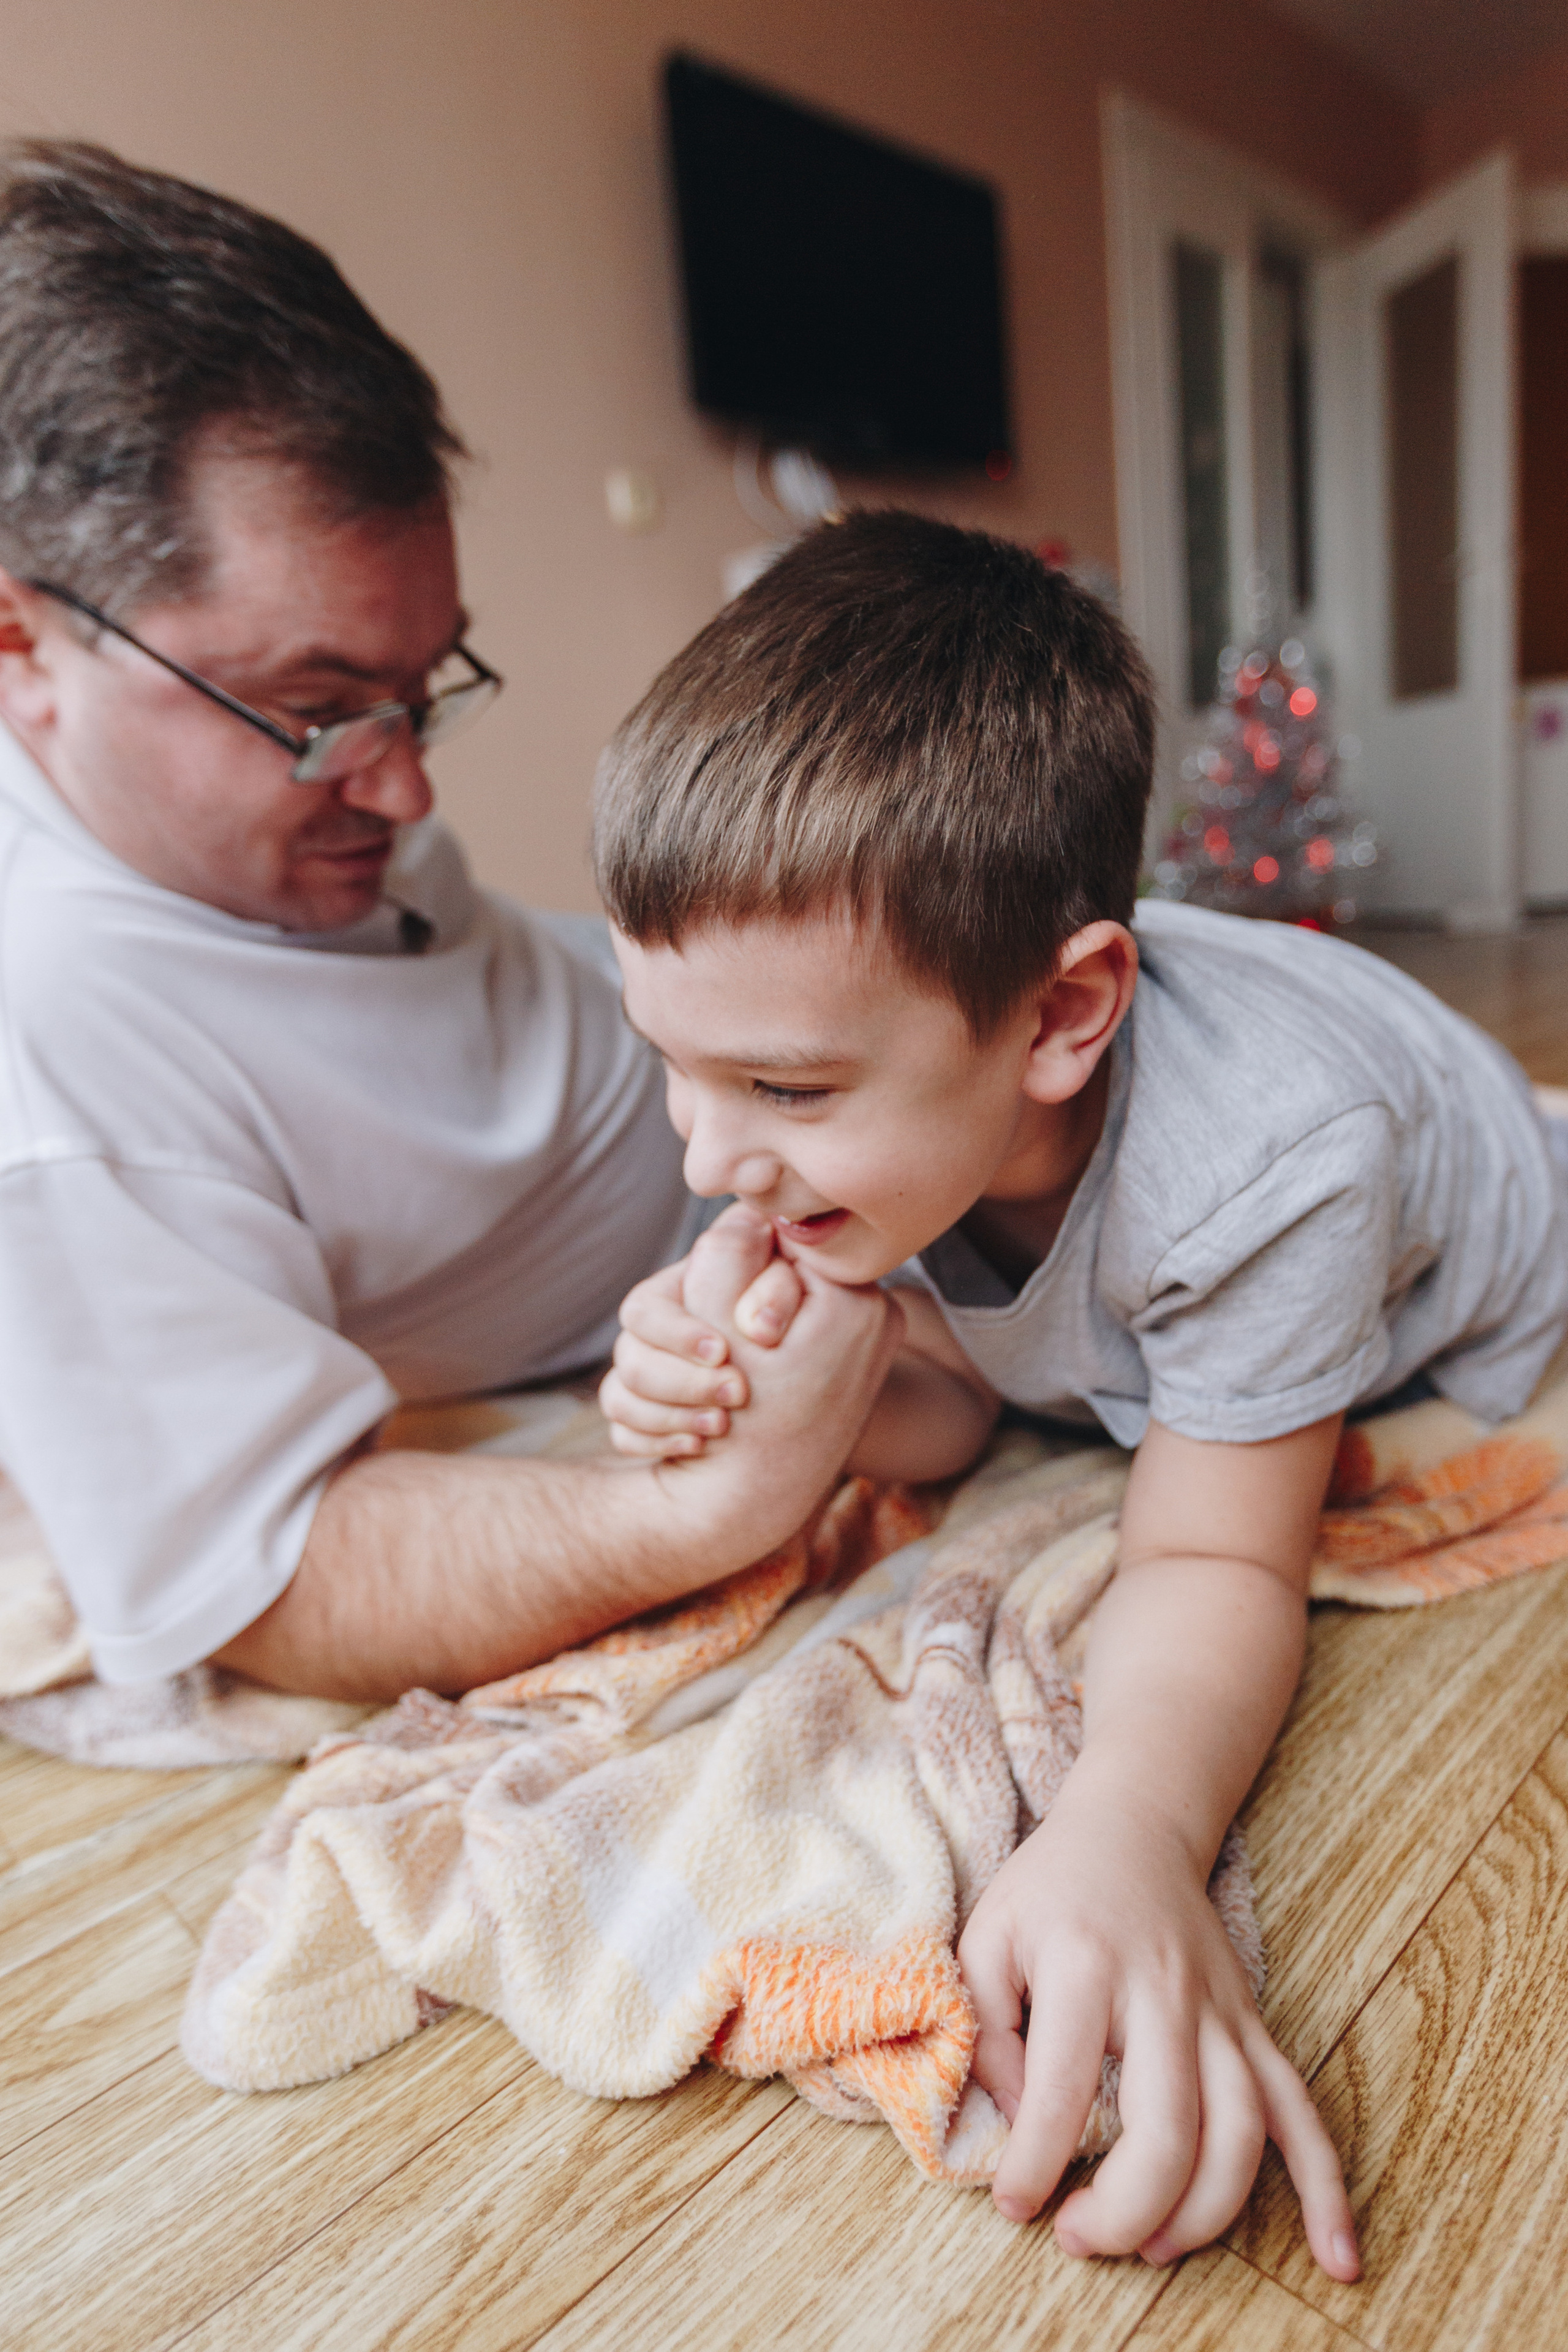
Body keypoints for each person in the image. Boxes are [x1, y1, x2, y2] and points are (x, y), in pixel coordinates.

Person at [592, 510, 1568, 2277]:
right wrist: (780, 1378)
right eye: (671, 1060)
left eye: (782, 1091)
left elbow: (1212, 1556)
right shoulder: (865, 1094)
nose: (706, 1154)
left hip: (1479, 1231)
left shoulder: (1269, 1163)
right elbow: (959, 1411)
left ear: (1060, 1018)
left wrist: (1129, 1830)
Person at [0, 141, 897, 1703]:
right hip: (768, 1217)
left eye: (422, 692)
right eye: (317, 710)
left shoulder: (256, 804)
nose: (407, 789)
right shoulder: (53, 1025)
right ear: (23, 649)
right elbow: (274, 1569)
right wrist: (706, 1512)